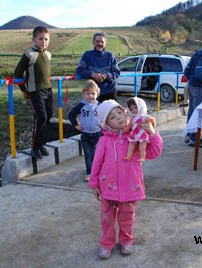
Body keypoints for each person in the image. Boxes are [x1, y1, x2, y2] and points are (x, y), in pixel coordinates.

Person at [89, 100, 163, 259]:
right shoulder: (104, 141)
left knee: (127, 217)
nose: (118, 118)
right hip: (108, 189)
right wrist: (94, 184)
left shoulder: (135, 136)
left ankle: (126, 240)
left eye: (119, 112)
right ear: (106, 124)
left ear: (125, 112)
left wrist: (152, 133)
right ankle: (107, 243)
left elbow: (154, 152)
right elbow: (96, 164)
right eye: (112, 117)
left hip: (130, 187)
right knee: (107, 219)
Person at [14, 26, 52, 159]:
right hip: (35, 91)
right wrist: (24, 90)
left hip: (48, 90)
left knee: (48, 116)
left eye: (46, 39)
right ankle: (34, 147)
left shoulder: (48, 54)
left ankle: (41, 144)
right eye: (40, 39)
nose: (43, 41)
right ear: (34, 39)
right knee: (40, 117)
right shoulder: (29, 54)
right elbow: (17, 73)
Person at [68, 80, 101, 181]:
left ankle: (97, 172)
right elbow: (71, 115)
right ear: (84, 94)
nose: (91, 96)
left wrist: (104, 124)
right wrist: (76, 125)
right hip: (85, 135)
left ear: (97, 93)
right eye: (88, 93)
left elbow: (107, 115)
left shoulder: (100, 105)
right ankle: (89, 173)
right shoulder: (81, 105)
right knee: (88, 154)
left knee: (96, 155)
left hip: (97, 134)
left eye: (93, 93)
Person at [76, 32, 120, 103]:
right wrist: (92, 74)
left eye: (102, 42)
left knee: (110, 113)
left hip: (110, 91)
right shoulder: (87, 55)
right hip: (92, 93)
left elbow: (117, 72)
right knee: (94, 113)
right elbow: (79, 70)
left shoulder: (110, 56)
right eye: (97, 41)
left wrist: (106, 75)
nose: (99, 44)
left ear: (105, 43)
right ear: (93, 42)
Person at [125, 97, 156, 161]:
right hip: (134, 134)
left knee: (142, 148)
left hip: (142, 134)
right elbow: (130, 126)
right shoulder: (132, 118)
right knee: (131, 146)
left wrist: (151, 122)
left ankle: (142, 157)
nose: (134, 110)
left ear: (141, 106)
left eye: (135, 107)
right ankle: (129, 156)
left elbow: (150, 120)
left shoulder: (143, 116)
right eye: (131, 109)